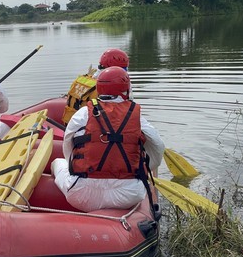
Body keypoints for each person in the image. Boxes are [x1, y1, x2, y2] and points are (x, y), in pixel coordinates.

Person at [51, 67, 165, 212]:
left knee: (58, 162)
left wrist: (74, 168)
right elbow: (158, 147)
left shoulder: (82, 114)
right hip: (128, 196)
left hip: (82, 196)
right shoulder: (137, 117)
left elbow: (68, 147)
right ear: (127, 90)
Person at [62, 48, 130, 125]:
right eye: (124, 69)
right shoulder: (106, 85)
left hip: (70, 123)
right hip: (90, 128)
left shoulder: (83, 80)